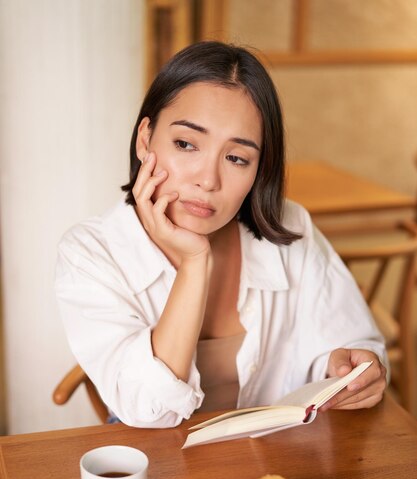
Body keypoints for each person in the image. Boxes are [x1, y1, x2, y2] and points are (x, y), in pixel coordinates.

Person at [55, 41, 387, 428]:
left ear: (258, 168)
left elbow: (354, 342)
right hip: (155, 467)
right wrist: (195, 263)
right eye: (185, 144)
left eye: (236, 158)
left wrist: (347, 367)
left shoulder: (291, 228)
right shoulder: (89, 253)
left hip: (269, 463)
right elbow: (150, 410)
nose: (208, 180)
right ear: (145, 140)